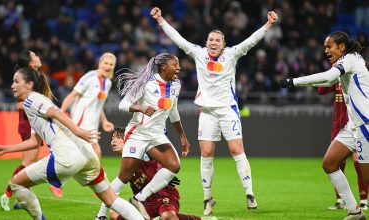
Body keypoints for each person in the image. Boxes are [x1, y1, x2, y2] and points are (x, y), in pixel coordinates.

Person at [150, 7, 278, 215]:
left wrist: (268, 25)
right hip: (207, 111)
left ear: (223, 45)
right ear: (206, 42)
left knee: (237, 150)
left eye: (217, 40)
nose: (213, 43)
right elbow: (178, 39)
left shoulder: (232, 55)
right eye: (210, 39)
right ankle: (207, 198)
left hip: (228, 110)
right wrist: (161, 20)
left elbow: (251, 41)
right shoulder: (198, 53)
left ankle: (249, 193)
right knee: (206, 153)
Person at [0, 67, 144, 220]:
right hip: (87, 154)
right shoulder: (35, 105)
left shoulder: (31, 99)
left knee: (16, 183)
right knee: (111, 199)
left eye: (16, 81)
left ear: (29, 85)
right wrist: (6, 149)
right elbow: (34, 141)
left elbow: (56, 112)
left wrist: (78, 131)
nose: (12, 86)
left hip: (66, 157)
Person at [279, 31, 369, 220]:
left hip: (365, 124)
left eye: (329, 46)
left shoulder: (351, 59)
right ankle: (355, 211)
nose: (326, 50)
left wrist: (293, 81)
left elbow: (328, 76)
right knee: (329, 163)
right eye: (325, 47)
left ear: (341, 47)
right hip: (353, 126)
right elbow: (328, 81)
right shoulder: (348, 61)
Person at [109, 53, 190, 219]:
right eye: (175, 64)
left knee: (174, 165)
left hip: (157, 135)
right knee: (124, 177)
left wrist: (182, 135)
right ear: (163, 67)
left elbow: (173, 112)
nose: (179, 68)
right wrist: (140, 108)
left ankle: (139, 198)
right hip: (138, 133)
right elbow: (123, 104)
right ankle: (100, 215)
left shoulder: (176, 85)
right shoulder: (146, 83)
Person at [0, 50, 62, 212]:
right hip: (29, 124)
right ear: (31, 62)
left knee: (29, 164)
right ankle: (6, 194)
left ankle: (22, 197)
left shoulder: (36, 77)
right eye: (35, 56)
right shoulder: (26, 79)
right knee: (27, 163)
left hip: (35, 123)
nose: (39, 57)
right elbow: (19, 104)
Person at [96, 127, 204, 220]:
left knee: (168, 216)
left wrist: (166, 169)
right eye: (112, 138)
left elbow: (158, 156)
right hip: (144, 203)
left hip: (163, 196)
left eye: (118, 137)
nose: (113, 141)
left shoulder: (142, 152)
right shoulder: (126, 163)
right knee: (114, 214)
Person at [317, 84, 368, 210]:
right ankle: (342, 201)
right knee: (334, 163)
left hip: (357, 125)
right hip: (339, 127)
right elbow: (321, 90)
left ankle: (363, 200)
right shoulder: (337, 77)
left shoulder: (358, 77)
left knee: (360, 165)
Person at [60, 52, 116, 159]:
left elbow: (99, 105)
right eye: (106, 63)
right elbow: (72, 95)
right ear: (100, 63)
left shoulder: (108, 83)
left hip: (93, 122)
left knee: (90, 153)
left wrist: (104, 122)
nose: (108, 66)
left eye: (111, 64)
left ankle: (91, 174)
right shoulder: (89, 77)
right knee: (94, 150)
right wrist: (60, 113)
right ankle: (96, 175)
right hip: (80, 119)